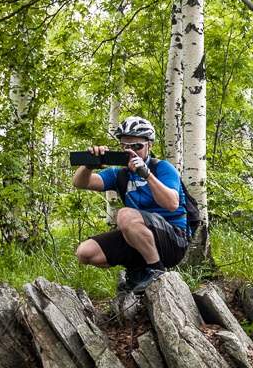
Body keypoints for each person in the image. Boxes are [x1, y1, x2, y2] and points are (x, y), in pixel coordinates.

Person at [73, 116, 189, 292]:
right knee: (85, 253)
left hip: (173, 239)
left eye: (137, 146)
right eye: (126, 146)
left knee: (125, 215)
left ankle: (156, 270)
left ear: (149, 145)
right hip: (140, 236)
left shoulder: (163, 168)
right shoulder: (120, 174)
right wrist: (88, 165)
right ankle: (138, 272)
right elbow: (80, 183)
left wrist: (146, 174)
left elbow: (172, 204)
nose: (131, 151)